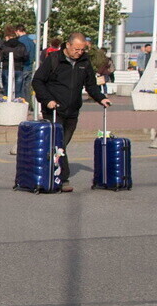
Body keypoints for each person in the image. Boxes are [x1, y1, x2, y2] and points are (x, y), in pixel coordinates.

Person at [30, 32, 108, 191]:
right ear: (68, 45)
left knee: (61, 144)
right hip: (54, 110)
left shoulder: (84, 62)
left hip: (72, 111)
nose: (79, 53)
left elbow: (91, 85)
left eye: (82, 50)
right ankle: (63, 179)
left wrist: (101, 98)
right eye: (76, 49)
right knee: (59, 145)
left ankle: (46, 171)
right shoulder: (54, 59)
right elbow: (37, 81)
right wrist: (47, 100)